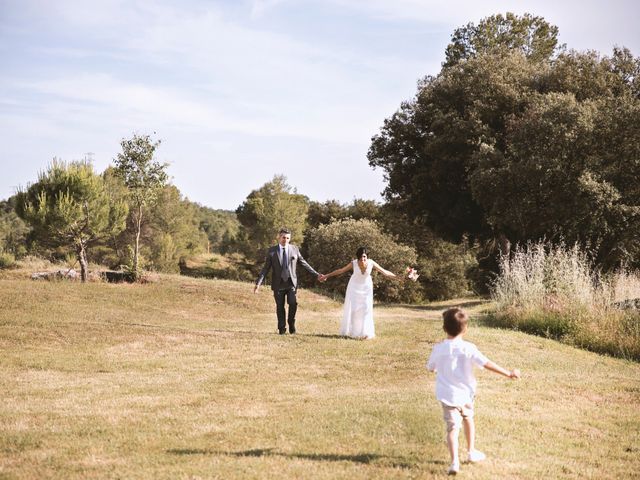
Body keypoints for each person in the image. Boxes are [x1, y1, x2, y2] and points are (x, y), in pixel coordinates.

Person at [426, 307, 521, 475]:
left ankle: (454, 462)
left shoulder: (438, 349)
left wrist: (437, 367)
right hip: (466, 395)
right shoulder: (468, 348)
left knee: (452, 429)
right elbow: (486, 363)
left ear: (444, 328)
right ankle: (471, 452)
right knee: (468, 419)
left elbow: (430, 367)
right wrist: (508, 373)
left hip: (447, 396)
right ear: (465, 328)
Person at [254, 228, 323, 335]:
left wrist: (317, 274)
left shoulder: (295, 249)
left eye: (287, 238)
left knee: (293, 303)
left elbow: (304, 263)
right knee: (280, 307)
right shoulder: (272, 251)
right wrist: (258, 283)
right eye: (283, 237)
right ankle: (282, 328)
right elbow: (266, 268)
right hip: (278, 284)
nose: (285, 240)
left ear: (289, 239)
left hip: (291, 283)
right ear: (279, 237)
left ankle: (291, 323)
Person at [319, 247, 396, 339]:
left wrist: (400, 278)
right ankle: (355, 333)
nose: (362, 259)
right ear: (358, 257)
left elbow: (385, 272)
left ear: (367, 256)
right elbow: (341, 270)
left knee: (366, 309)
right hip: (354, 287)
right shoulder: (354, 263)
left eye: (364, 257)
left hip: (366, 288)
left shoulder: (371, 263)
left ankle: (365, 333)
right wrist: (326, 276)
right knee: (355, 311)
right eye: (360, 257)